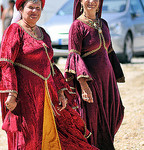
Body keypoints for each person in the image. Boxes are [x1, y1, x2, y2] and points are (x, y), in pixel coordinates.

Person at [0, 0, 100, 149]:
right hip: (26, 96)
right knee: (30, 137)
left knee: (61, 133)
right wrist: (12, 94)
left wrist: (60, 91)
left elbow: (51, 64)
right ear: (21, 9)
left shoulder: (43, 33)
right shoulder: (14, 30)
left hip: (49, 95)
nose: (34, 11)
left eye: (38, 8)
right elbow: (6, 63)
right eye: (31, 8)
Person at [64, 0, 125, 149]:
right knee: (92, 120)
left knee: (114, 114)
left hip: (107, 80)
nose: (91, 2)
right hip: (91, 82)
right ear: (81, 2)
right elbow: (74, 56)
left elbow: (109, 52)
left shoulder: (103, 23)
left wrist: (115, 76)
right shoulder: (77, 26)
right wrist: (84, 86)